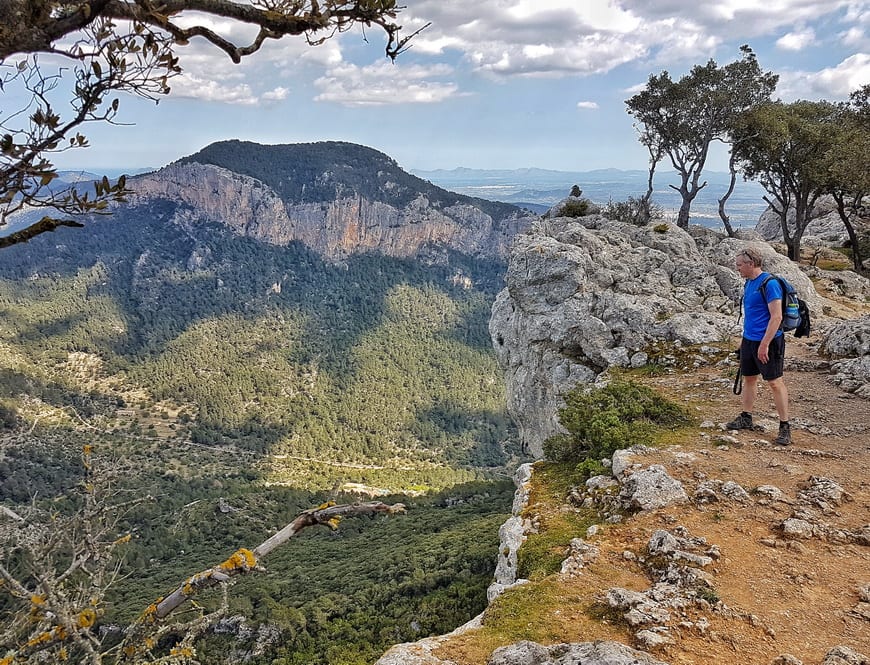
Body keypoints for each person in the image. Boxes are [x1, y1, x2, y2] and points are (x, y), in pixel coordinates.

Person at [726, 247, 791, 445]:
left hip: (769, 342)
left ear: (751, 263)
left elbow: (777, 316)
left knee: (774, 382)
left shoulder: (769, 284)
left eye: (739, 265)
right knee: (749, 378)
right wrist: (745, 342)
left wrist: (764, 344)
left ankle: (785, 426)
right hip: (750, 340)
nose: (737, 269)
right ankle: (746, 416)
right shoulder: (749, 283)